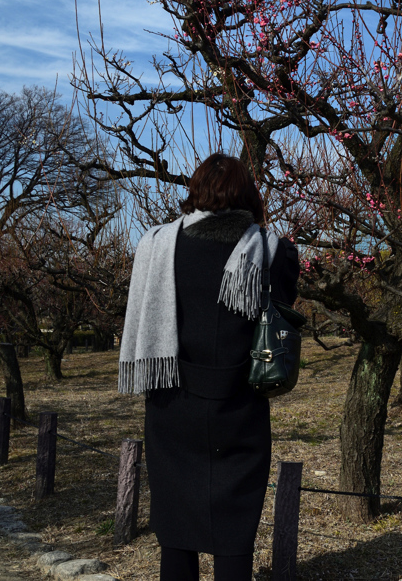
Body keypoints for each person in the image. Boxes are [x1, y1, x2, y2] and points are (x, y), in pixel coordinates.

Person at [118, 153, 300, 581]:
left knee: (176, 531)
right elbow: (282, 307)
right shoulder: (275, 252)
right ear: (248, 196)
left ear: (195, 191)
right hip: (240, 407)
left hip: (171, 403)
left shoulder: (156, 244)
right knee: (234, 532)